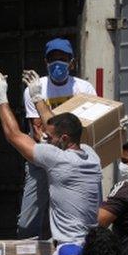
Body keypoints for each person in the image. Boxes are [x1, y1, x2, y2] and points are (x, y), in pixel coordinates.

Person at [0, 69, 102, 255]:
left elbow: (14, 135)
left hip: (69, 252)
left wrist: (1, 97)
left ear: (65, 139)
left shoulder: (57, 159)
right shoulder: (91, 155)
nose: (48, 138)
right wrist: (38, 97)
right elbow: (54, 125)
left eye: (54, 138)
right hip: (92, 247)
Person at [17, 38, 97, 240]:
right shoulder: (35, 88)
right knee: (27, 221)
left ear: (72, 62)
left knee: (80, 215)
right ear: (46, 62)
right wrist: (43, 136)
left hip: (73, 160)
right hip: (44, 157)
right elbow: (37, 128)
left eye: (63, 59)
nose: (58, 63)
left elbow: (88, 124)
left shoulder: (83, 88)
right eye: (53, 59)